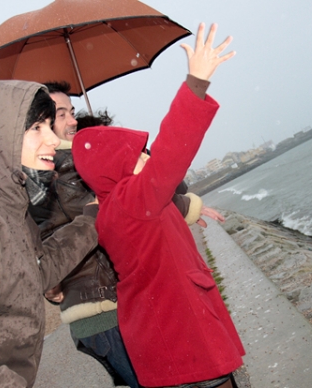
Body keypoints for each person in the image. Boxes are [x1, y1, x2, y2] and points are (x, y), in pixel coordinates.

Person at [72, 23, 243, 388]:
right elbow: (172, 152)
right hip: (182, 334)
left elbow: (169, 192)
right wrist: (196, 83)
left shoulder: (117, 206)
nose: (148, 157)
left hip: (163, 336)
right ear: (116, 168)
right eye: (138, 155)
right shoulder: (131, 200)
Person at [32, 83, 220, 387]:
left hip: (93, 313)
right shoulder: (67, 170)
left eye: (72, 111)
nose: (73, 120)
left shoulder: (45, 174)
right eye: (61, 114)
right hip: (108, 310)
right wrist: (188, 206)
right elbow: (127, 206)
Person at [0, 80, 99, 387]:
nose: (53, 139)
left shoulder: (10, 207)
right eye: (37, 127)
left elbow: (37, 273)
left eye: (51, 126)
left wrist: (91, 220)